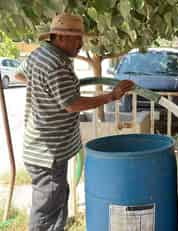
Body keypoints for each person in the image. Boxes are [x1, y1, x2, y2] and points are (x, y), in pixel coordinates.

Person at [15, 13, 135, 230]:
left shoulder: (39, 54)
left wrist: (43, 89)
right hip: (47, 154)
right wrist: (112, 96)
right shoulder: (55, 64)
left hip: (44, 148)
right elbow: (72, 104)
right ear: (60, 37)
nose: (81, 44)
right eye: (76, 38)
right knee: (46, 209)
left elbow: (20, 76)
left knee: (57, 200)